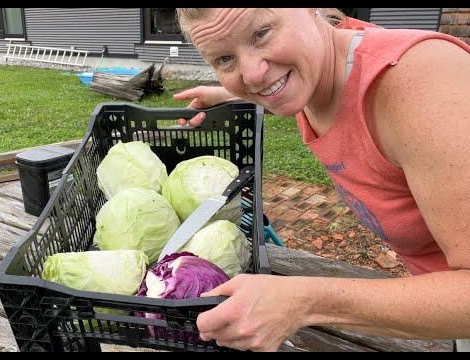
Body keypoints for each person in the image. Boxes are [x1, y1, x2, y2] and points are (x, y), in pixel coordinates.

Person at [173, 8, 470, 352]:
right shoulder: (319, 58)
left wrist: (303, 302)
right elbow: (278, 78)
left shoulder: (420, 82)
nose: (253, 74)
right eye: (225, 58)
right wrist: (227, 95)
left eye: (262, 33)